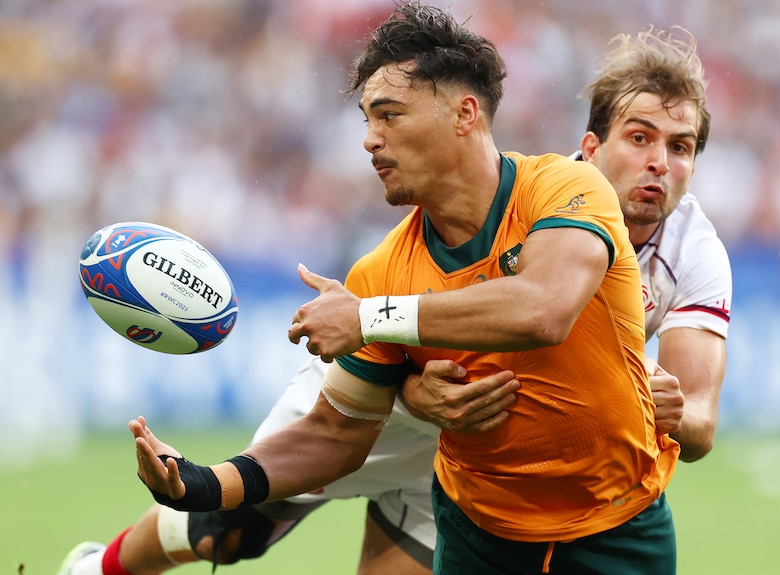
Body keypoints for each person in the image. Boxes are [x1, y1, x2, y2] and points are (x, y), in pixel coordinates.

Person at [59, 10, 730, 575]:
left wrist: (371, 322)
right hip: (463, 481)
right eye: (641, 138)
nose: (370, 139)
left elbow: (543, 308)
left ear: (465, 113)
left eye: (389, 115)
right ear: (595, 144)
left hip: (584, 507)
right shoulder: (380, 274)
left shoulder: (569, 192)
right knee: (225, 528)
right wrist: (199, 479)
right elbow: (331, 431)